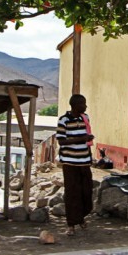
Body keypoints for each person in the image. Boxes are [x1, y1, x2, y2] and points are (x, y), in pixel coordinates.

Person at [56, 94, 95, 236]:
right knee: (72, 193)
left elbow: (87, 140)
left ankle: (81, 216)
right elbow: (61, 141)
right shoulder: (63, 120)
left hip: (84, 162)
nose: (85, 106)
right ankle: (71, 224)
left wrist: (88, 149)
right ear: (75, 105)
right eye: (83, 104)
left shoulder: (85, 118)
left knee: (86, 191)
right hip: (70, 162)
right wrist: (81, 139)